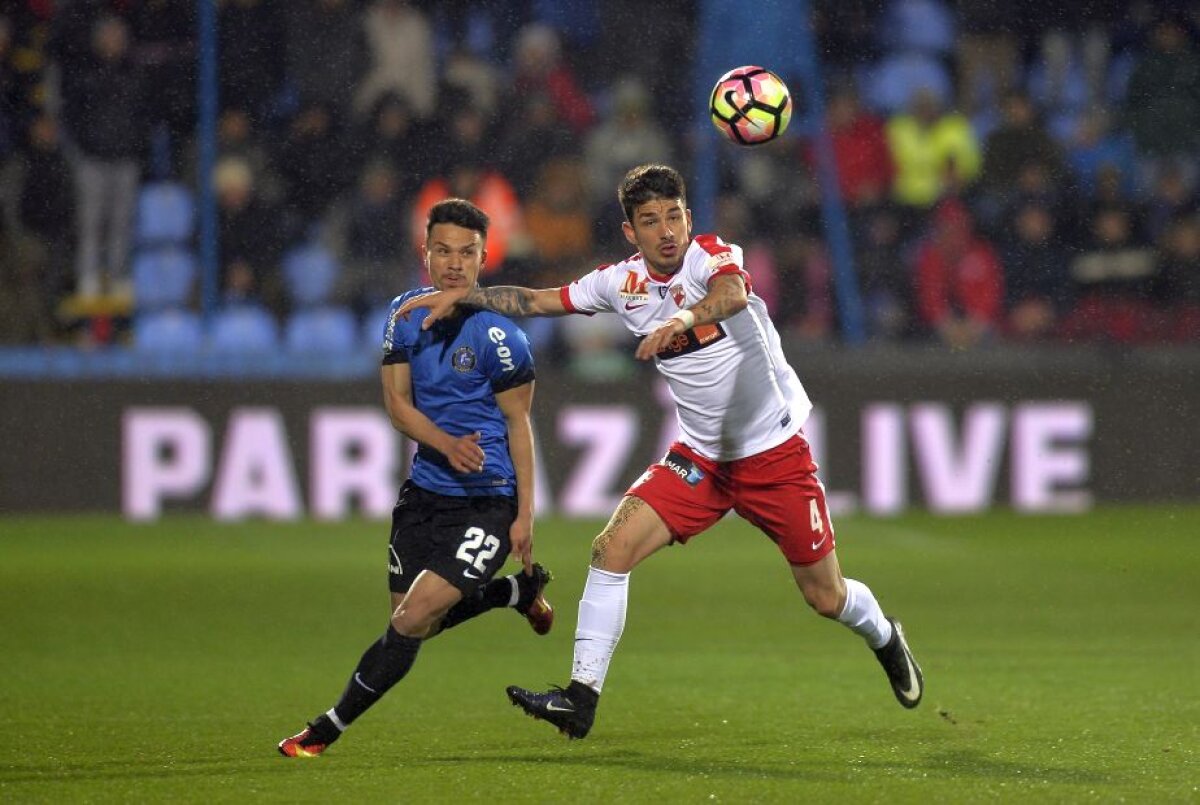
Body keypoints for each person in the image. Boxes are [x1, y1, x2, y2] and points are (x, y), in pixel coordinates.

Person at [396, 165, 924, 740]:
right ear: (631, 232)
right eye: (651, 221)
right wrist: (463, 296)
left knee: (825, 596)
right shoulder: (619, 283)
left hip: (773, 453)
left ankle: (883, 635)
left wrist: (682, 315)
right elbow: (539, 300)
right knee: (610, 549)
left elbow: (732, 293)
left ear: (688, 219)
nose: (667, 230)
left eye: (674, 216)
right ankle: (580, 697)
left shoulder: (712, 257)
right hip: (699, 458)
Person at [277, 199, 555, 757]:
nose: (455, 264)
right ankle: (513, 593)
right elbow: (396, 405)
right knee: (413, 621)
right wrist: (445, 444)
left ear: (484, 258)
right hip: (424, 494)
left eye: (468, 253)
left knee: (411, 620)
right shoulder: (403, 314)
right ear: (424, 253)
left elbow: (519, 426)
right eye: (444, 251)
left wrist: (523, 514)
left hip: (487, 500)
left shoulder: (501, 338)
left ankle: (325, 730)